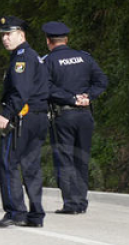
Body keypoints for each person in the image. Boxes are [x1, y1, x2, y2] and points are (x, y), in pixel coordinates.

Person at [42, 21, 108, 215]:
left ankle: (71, 203)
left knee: (65, 159)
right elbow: (102, 80)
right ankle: (81, 202)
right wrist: (88, 96)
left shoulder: (48, 62)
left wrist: (70, 98)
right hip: (85, 115)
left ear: (48, 41)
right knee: (82, 159)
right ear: (67, 39)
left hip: (64, 116)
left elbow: (46, 88)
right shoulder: (84, 58)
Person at [0, 16, 49, 228]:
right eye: (3, 35)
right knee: (31, 166)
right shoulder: (33, 56)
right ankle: (35, 214)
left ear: (21, 35)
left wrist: (6, 114)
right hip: (39, 117)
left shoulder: (22, 58)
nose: (5, 38)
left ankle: (15, 212)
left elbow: (20, 92)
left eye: (9, 34)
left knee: (8, 164)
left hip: (22, 118)